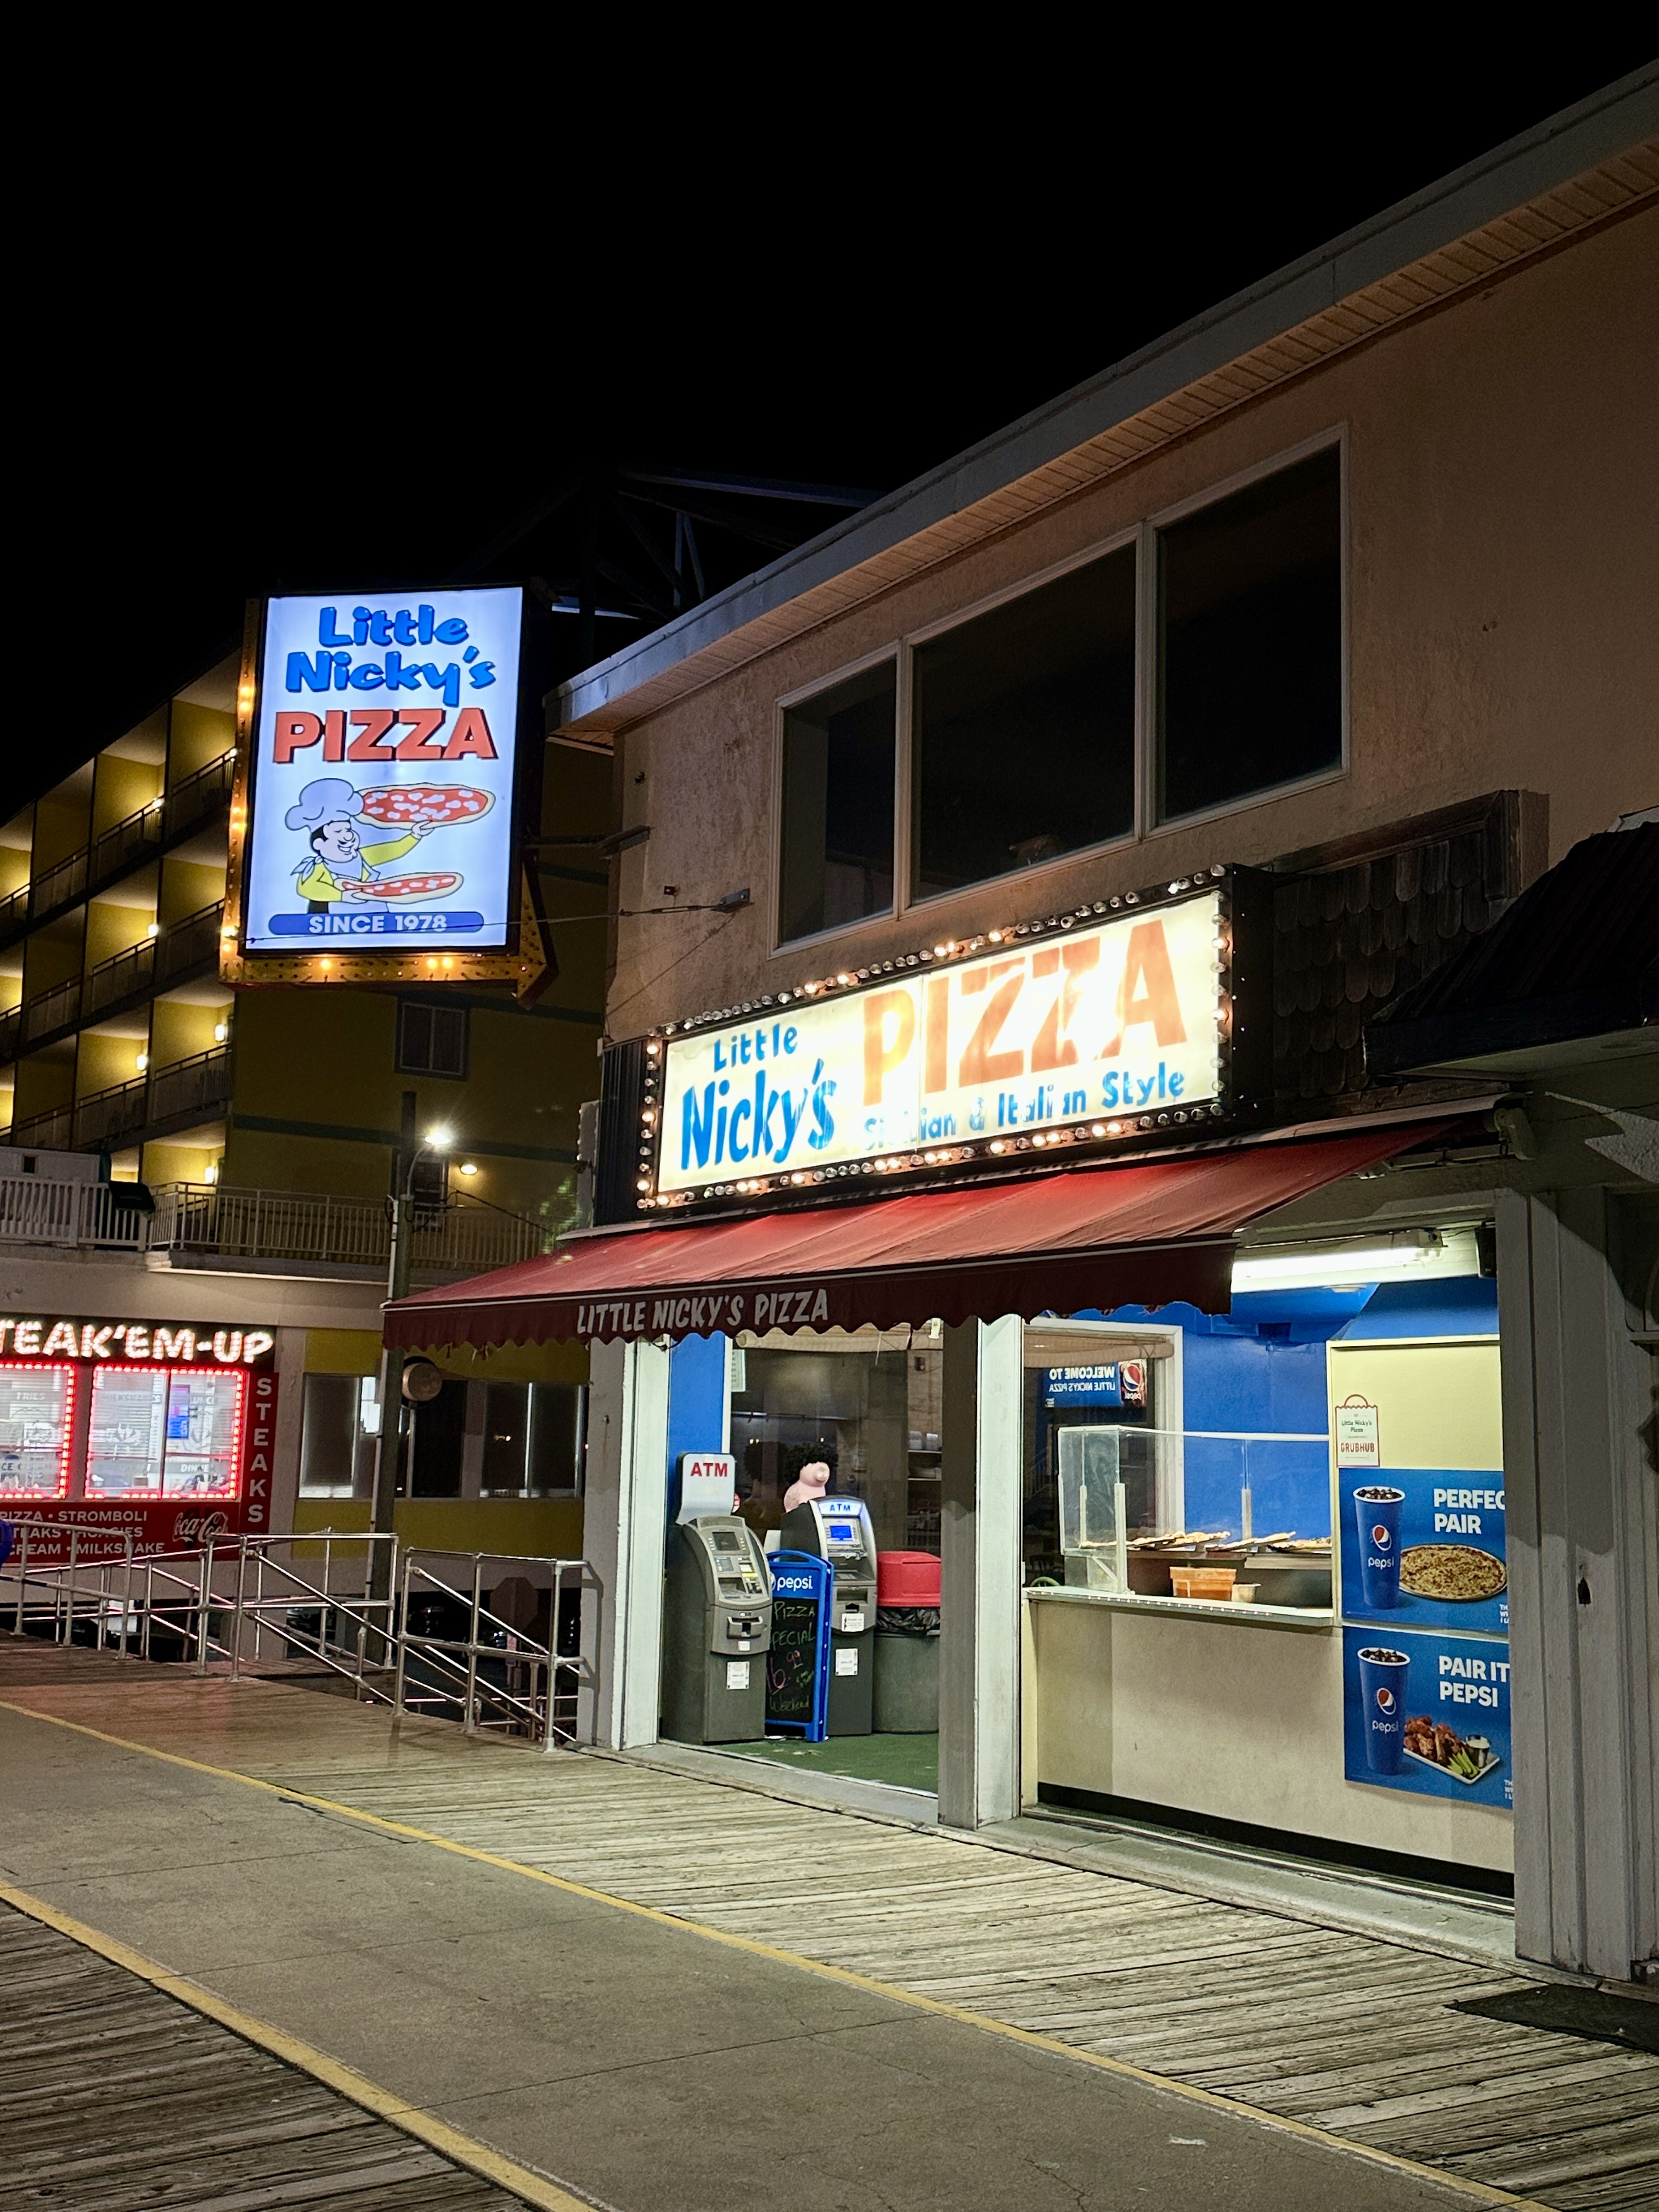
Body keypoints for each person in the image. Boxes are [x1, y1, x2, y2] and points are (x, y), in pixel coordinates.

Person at [284, 779, 435, 911]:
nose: (348, 836)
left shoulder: (362, 857)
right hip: (332, 920)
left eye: (348, 830)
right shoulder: (318, 867)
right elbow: (307, 888)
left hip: (375, 918)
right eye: (338, 831)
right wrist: (342, 896)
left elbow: (394, 850)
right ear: (319, 844)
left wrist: (415, 835)